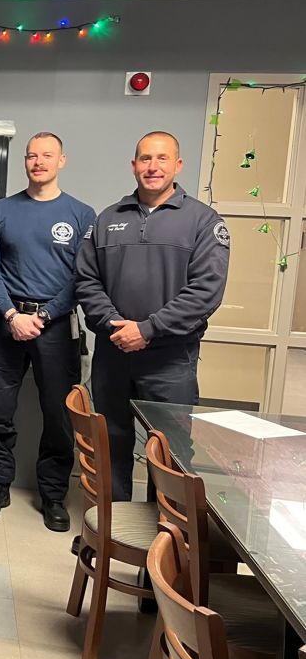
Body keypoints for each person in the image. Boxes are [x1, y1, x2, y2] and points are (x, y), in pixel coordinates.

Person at [76, 131, 229, 501]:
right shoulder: (107, 218)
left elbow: (206, 291)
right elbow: (86, 279)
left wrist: (148, 329)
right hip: (113, 355)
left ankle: (166, 544)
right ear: (133, 166)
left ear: (178, 165)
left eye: (162, 159)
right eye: (145, 159)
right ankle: (109, 531)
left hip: (170, 360)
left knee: (170, 452)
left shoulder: (203, 222)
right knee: (110, 442)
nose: (153, 166)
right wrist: (116, 326)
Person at [0, 132, 96, 530]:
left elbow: (83, 277)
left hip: (56, 327)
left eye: (47, 155)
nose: (38, 161)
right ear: (24, 162)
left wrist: (43, 315)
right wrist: (12, 315)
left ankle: (53, 495)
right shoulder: (0, 211)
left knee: (59, 416)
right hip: (5, 323)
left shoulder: (82, 214)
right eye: (32, 155)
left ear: (62, 161)